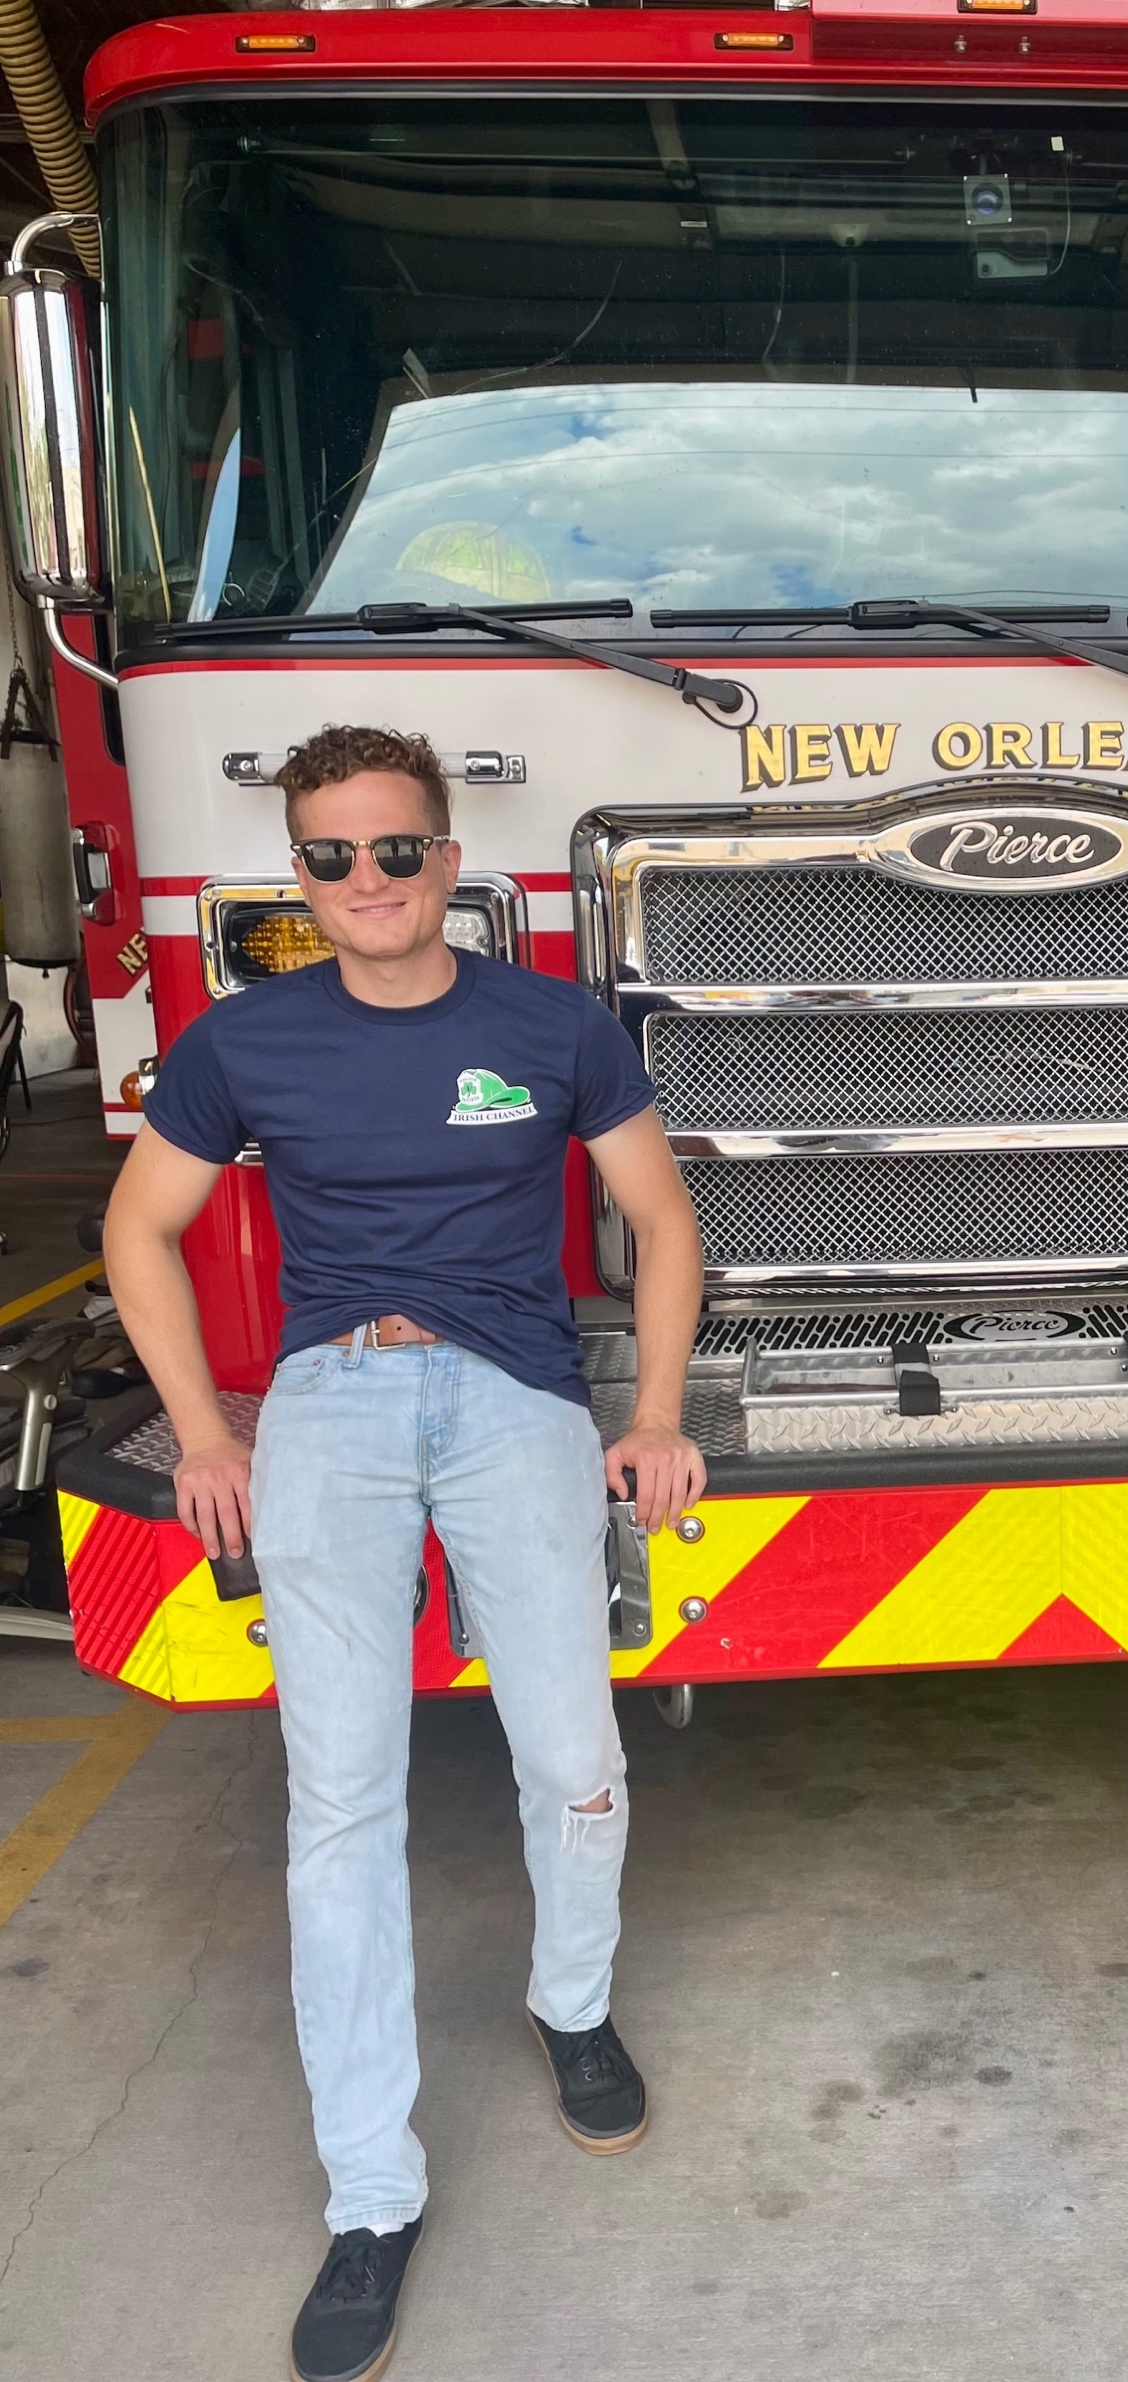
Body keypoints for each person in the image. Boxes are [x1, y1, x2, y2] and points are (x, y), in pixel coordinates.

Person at [103, 724, 705, 2382]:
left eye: (392, 848)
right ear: (299, 878)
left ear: (448, 860)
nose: (363, 878)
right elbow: (139, 1228)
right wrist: (207, 1431)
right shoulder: (244, 1040)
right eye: (329, 855)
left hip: (517, 1401)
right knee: (342, 1804)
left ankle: (571, 2004)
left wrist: (654, 1411)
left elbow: (662, 1217)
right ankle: (372, 2191)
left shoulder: (552, 1024)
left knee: (575, 1757)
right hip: (333, 1405)